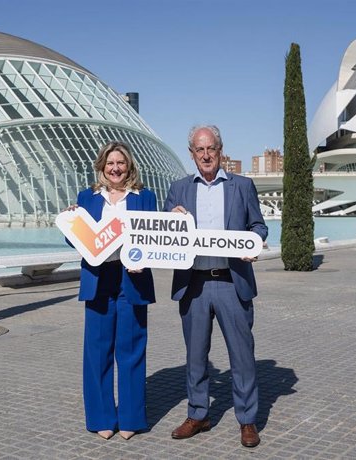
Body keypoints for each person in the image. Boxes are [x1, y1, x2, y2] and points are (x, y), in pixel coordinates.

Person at [163, 125, 268, 448]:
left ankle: (247, 420)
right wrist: (171, 217)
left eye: (211, 149)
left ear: (221, 151)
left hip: (230, 282)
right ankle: (198, 413)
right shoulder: (178, 189)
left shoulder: (242, 186)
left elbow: (258, 225)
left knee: (242, 356)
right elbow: (164, 230)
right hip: (193, 284)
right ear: (192, 154)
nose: (206, 155)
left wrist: (255, 243)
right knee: (195, 357)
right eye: (199, 150)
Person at [68, 141, 156, 441]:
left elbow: (154, 237)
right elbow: (75, 242)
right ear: (101, 166)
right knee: (97, 351)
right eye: (110, 163)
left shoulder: (144, 197)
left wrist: (142, 260)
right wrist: (71, 223)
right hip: (99, 277)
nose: (115, 168)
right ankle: (102, 417)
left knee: (131, 351)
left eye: (121, 163)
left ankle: (131, 418)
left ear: (129, 165)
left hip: (132, 277)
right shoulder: (87, 198)